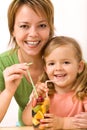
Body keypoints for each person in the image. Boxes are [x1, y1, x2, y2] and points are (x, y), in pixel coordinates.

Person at [0, 0, 54, 126]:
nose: (33, 34)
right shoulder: (3, 63)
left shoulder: (66, 58)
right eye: (24, 26)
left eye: (42, 25)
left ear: (50, 28)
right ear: (12, 29)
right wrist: (9, 91)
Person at [22, 36, 87, 129]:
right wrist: (37, 99)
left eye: (66, 62)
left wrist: (63, 123)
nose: (58, 68)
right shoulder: (44, 94)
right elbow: (27, 121)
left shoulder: (83, 93)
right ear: (46, 69)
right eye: (52, 63)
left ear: (79, 67)